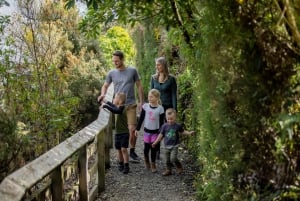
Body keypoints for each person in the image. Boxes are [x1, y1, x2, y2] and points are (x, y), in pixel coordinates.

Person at [98, 50, 144, 162]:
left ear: (122, 59)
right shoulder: (111, 73)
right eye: (113, 61)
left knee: (132, 129)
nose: (115, 63)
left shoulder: (132, 71)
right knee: (121, 131)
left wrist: (141, 102)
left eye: (117, 61)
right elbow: (105, 86)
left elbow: (139, 86)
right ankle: (123, 155)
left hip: (131, 104)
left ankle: (132, 151)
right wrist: (103, 94)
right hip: (118, 106)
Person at [152, 108, 195, 176]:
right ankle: (168, 170)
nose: (170, 120)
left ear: (175, 117)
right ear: (166, 118)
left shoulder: (177, 126)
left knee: (173, 158)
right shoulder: (164, 126)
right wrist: (155, 142)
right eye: (168, 119)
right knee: (167, 160)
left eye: (171, 119)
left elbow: (183, 132)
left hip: (175, 145)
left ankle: (179, 166)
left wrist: (189, 133)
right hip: (166, 146)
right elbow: (160, 135)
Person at [150, 56, 177, 159]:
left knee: (168, 130)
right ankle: (156, 150)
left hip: (168, 108)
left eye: (159, 64)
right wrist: (150, 107)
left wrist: (174, 110)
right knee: (157, 129)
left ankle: (169, 151)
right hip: (156, 108)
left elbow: (174, 95)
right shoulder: (153, 78)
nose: (157, 66)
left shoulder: (171, 79)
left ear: (164, 65)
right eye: (156, 65)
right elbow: (151, 93)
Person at [135, 89, 165, 173]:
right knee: (146, 149)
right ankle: (146, 160)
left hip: (155, 132)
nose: (149, 98)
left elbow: (162, 122)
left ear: (157, 98)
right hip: (147, 132)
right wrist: (137, 129)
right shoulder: (145, 106)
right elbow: (141, 118)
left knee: (153, 148)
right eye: (149, 96)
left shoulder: (160, 109)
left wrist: (161, 133)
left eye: (151, 97)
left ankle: (153, 164)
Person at [101, 92, 130, 174]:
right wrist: (106, 101)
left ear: (120, 101)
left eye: (115, 98)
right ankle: (121, 163)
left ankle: (126, 165)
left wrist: (106, 106)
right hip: (117, 133)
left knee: (124, 149)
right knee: (119, 149)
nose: (113, 99)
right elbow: (113, 106)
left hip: (124, 132)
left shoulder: (122, 108)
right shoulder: (118, 106)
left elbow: (116, 111)